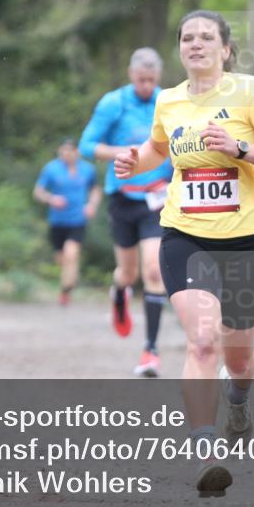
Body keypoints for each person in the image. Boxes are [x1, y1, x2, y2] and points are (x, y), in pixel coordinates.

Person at [115, 10, 254, 496]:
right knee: (202, 342)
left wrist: (240, 149)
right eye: (187, 38)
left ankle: (237, 403)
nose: (195, 44)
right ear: (180, 49)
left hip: (247, 239)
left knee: (239, 359)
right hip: (185, 235)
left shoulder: (249, 91)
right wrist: (134, 160)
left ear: (224, 49)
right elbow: (158, 150)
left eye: (206, 37)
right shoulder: (169, 99)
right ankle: (204, 452)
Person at [79, 48, 174, 377]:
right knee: (127, 272)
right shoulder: (113, 103)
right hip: (122, 197)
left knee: (154, 271)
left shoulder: (168, 102)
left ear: (158, 77)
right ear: (131, 75)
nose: (147, 85)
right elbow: (87, 146)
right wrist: (129, 153)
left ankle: (150, 350)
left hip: (157, 199)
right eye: (141, 80)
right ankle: (119, 290)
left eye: (152, 80)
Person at [32, 139, 102, 305]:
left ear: (77, 152)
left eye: (70, 151)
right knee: (61, 259)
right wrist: (51, 198)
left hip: (78, 219)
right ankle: (69, 280)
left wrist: (91, 205)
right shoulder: (51, 168)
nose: (66, 154)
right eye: (63, 151)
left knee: (71, 254)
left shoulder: (88, 169)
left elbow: (95, 190)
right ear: (59, 152)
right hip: (57, 221)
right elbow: (38, 191)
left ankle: (66, 290)